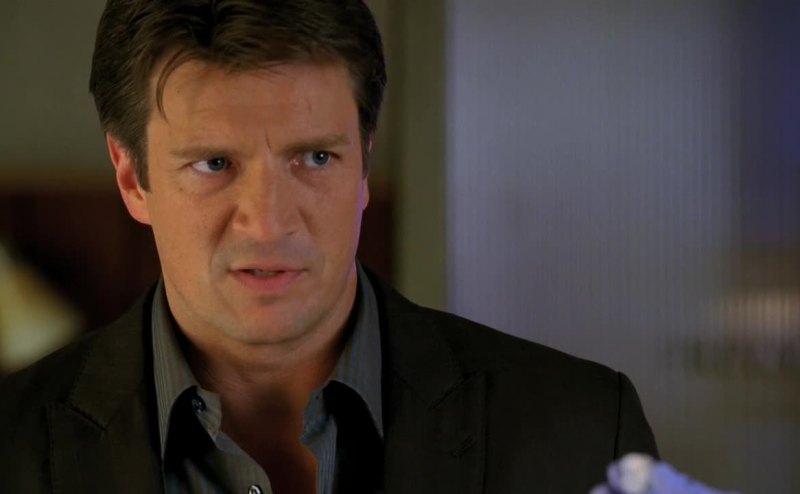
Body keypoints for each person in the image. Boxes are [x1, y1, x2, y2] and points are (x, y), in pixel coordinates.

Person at [0, 1, 658, 493]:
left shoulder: (583, 433)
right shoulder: (13, 446)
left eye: (315, 157)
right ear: (131, 179)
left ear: (363, 164)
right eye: (213, 164)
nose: (268, 224)